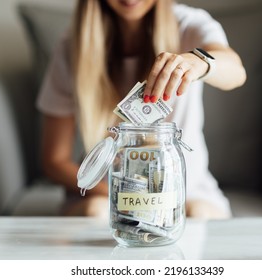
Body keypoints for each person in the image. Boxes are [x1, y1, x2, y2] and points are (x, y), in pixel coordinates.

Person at [37, 0, 246, 219]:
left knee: (200, 213)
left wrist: (200, 62)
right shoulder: (73, 45)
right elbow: (54, 160)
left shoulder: (189, 24)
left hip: (186, 190)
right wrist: (119, 195)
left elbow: (236, 71)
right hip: (104, 191)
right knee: (97, 211)